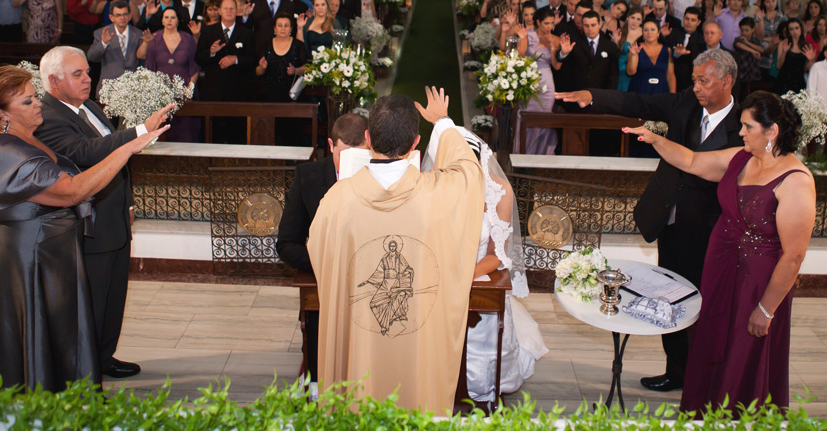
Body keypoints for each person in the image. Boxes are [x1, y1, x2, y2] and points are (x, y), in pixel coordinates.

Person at [0, 67, 166, 391]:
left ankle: (61, 392)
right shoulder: (7, 152)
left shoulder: (26, 139)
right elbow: (72, 190)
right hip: (30, 260)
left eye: (35, 97)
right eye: (28, 101)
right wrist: (127, 148)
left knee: (60, 332)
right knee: (37, 330)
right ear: (1, 114)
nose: (38, 104)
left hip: (52, 254)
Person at [555, 49, 742, 393]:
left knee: (707, 307)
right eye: (695, 80)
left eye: (705, 81)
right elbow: (638, 101)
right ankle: (677, 372)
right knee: (670, 300)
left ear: (726, 81)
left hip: (711, 231)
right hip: (670, 222)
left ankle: (707, 378)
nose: (697, 88)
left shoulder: (743, 126)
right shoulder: (686, 103)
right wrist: (593, 95)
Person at [623, 92, 815, 413]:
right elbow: (692, 161)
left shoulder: (796, 181)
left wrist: (766, 310)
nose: (740, 132)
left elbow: (793, 257)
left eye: (747, 126)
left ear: (772, 131)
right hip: (721, 269)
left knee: (742, 352)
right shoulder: (742, 157)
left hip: (756, 284)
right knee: (711, 342)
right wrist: (656, 140)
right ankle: (703, 411)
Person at [308, 88, 485, 412]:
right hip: (416, 351)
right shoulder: (438, 198)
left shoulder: (338, 199)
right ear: (416, 142)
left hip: (360, 347)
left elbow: (319, 252)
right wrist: (443, 122)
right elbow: (469, 173)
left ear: (367, 138)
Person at [35, 47, 173, 381]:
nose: (88, 78)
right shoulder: (47, 118)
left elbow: (117, 163)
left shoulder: (90, 107)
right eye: (78, 74)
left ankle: (103, 356)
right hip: (87, 225)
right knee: (91, 300)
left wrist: (127, 204)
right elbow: (87, 153)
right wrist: (140, 132)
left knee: (113, 296)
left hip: (113, 217)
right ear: (53, 81)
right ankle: (83, 367)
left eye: (87, 71)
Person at [420, 122, 547, 404]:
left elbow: (497, 253)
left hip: (480, 276)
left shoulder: (500, 192)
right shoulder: (434, 187)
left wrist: (464, 275)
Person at [277, 112, 370, 387]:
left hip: (368, 286)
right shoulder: (308, 176)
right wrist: (328, 263)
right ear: (330, 145)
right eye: (344, 154)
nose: (352, 163)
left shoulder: (384, 176)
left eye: (360, 155)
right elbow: (286, 244)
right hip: (323, 283)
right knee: (320, 365)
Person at [138, 6, 201, 142]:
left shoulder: (187, 38)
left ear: (178, 20)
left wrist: (189, 88)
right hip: (161, 92)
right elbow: (148, 66)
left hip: (184, 91)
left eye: (173, 17)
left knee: (186, 133)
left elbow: (195, 66)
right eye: (166, 17)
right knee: (162, 133)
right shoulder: (154, 38)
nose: (169, 20)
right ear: (162, 20)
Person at [194, 0, 256, 105]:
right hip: (213, 91)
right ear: (219, 11)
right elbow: (198, 58)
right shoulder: (208, 31)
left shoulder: (247, 33)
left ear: (237, 11)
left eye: (232, 8)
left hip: (237, 92)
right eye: (226, 8)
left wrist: (236, 59)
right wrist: (211, 52)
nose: (229, 11)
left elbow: (253, 60)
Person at [514, 7, 558, 154]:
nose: (549, 27)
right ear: (538, 22)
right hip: (529, 80)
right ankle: (523, 152)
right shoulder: (528, 35)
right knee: (526, 114)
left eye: (552, 23)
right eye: (546, 23)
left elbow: (557, 64)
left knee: (545, 115)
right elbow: (521, 54)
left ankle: (541, 153)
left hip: (547, 81)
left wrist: (554, 49)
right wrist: (522, 38)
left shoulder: (555, 38)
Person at [256, 15, 310, 103]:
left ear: (291, 28)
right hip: (270, 95)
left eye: (286, 25)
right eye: (280, 25)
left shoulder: (298, 45)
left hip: (293, 95)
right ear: (274, 28)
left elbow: (308, 69)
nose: (283, 28)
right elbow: (258, 72)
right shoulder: (266, 45)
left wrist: (295, 70)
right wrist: (262, 68)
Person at [87, 3, 142, 88]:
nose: (122, 18)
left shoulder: (138, 34)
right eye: (118, 15)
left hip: (133, 87)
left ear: (130, 16)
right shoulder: (101, 33)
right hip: (109, 86)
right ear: (111, 17)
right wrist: (104, 43)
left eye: (125, 14)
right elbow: (92, 57)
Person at [627, 16, 675, 95]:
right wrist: (634, 55)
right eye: (646, 30)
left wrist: (673, 96)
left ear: (658, 33)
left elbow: (670, 76)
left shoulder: (667, 50)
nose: (649, 32)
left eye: (652, 29)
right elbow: (630, 72)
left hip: (661, 93)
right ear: (642, 33)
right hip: (639, 92)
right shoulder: (635, 48)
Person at [774, 19, 812, 94]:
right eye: (791, 29)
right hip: (784, 81)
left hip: (799, 81)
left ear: (801, 29)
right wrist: (784, 52)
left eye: (796, 28)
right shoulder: (783, 43)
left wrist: (810, 60)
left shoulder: (807, 46)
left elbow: (806, 69)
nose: (794, 31)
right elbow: (778, 66)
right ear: (788, 31)